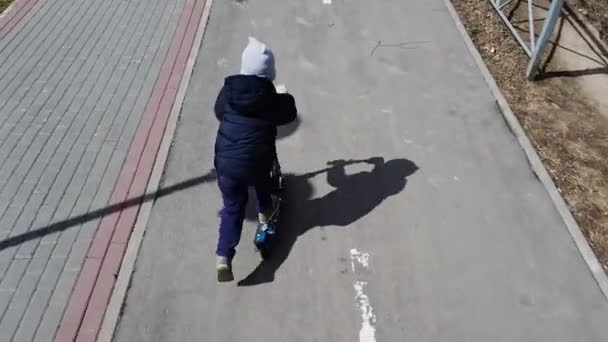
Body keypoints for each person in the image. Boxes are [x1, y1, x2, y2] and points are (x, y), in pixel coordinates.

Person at [213, 37, 297, 282]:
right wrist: (284, 95)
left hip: (226, 162)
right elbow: (289, 113)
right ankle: (265, 213)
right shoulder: (269, 97)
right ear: (268, 73)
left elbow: (219, 111)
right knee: (263, 181)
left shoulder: (228, 91)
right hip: (257, 162)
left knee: (232, 207)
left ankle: (223, 257)